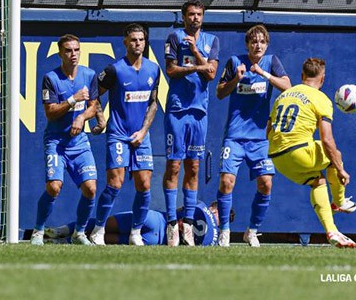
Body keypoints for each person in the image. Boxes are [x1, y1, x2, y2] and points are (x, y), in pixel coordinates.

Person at [266, 58, 356, 249]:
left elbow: (268, 130)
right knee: (336, 155)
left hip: (276, 156)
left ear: (302, 76)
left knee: (318, 181)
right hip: (299, 151)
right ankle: (339, 202)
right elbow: (327, 140)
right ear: (322, 78)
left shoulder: (284, 95)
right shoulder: (321, 98)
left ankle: (332, 231)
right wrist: (340, 170)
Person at [215, 25, 291, 247]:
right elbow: (220, 93)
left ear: (267, 45)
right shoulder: (234, 62)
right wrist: (236, 80)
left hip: (260, 139)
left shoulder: (271, 62)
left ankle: (252, 230)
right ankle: (225, 231)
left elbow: (287, 86)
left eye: (262, 42)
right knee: (227, 182)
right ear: (247, 44)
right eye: (254, 41)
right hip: (235, 136)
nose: (258, 45)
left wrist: (264, 74)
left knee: (266, 184)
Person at [90, 24, 160, 246]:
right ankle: (98, 230)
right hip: (118, 134)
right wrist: (100, 119)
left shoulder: (153, 69)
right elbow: (93, 93)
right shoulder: (114, 70)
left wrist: (143, 131)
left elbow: (153, 103)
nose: (137, 43)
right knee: (115, 183)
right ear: (125, 42)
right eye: (133, 40)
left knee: (145, 184)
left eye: (141, 40)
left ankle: (135, 233)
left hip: (141, 136)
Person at [31, 34, 100, 246]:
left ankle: (79, 233)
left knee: (90, 188)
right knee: (54, 187)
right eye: (68, 51)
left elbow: (93, 106)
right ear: (60, 53)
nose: (73, 55)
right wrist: (72, 100)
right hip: (56, 142)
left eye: (77, 50)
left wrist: (82, 117)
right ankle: (38, 232)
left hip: (79, 142)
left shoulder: (89, 75)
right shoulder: (51, 78)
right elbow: (51, 113)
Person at [162, 0, 219, 246]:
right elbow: (171, 70)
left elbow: (212, 74)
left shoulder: (211, 41)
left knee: (193, 167)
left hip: (199, 112)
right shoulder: (174, 37)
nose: (195, 18)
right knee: (174, 166)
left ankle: (187, 224)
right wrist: (198, 67)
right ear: (184, 17)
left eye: (199, 14)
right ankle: (172, 223)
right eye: (191, 14)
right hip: (177, 110)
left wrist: (196, 54)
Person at [43, 201, 232, 246]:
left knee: (106, 232)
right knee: (106, 232)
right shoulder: (214, 238)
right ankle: (63, 235)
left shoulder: (200, 207)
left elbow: (179, 214)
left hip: (156, 225)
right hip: (156, 233)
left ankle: (64, 235)